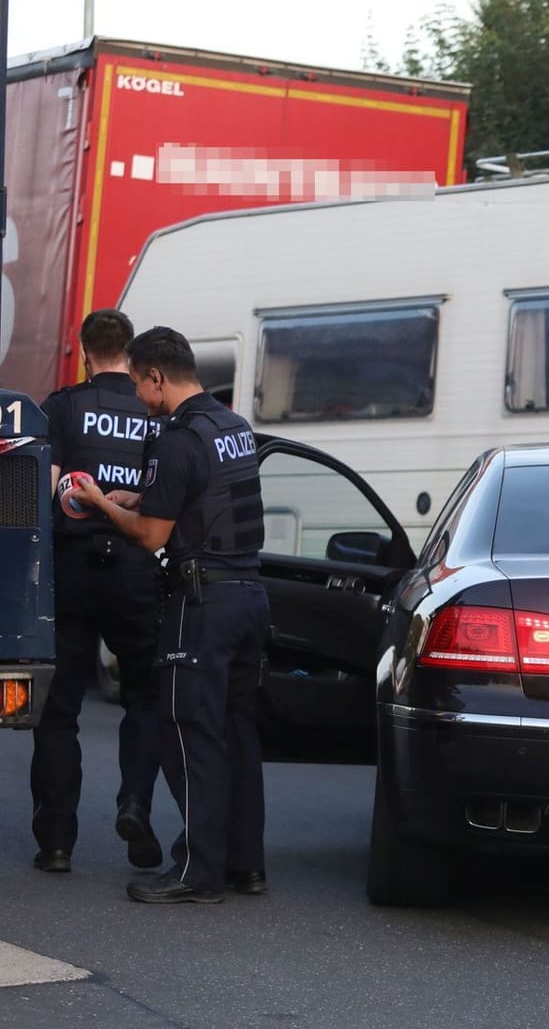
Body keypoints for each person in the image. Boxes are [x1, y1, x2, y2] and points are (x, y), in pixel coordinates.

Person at [75, 327, 271, 904]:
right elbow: (202, 498)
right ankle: (245, 865)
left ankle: (197, 874)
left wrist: (103, 502)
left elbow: (149, 535)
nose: (138, 396)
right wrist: (141, 494)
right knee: (237, 734)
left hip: (201, 604)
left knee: (190, 735)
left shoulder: (177, 440)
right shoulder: (231, 427)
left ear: (157, 377)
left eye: (138, 384)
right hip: (248, 599)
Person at [30, 310, 166, 876]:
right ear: (129, 352)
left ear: (85, 351)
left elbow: (45, 488)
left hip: (72, 569)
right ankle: (134, 802)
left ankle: (57, 843)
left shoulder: (63, 406)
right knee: (145, 697)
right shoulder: (152, 411)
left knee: (59, 709)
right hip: (136, 568)